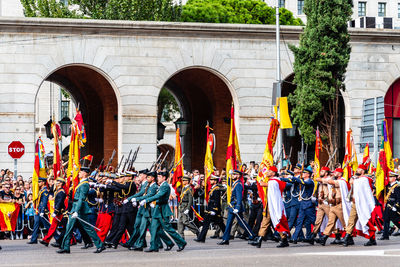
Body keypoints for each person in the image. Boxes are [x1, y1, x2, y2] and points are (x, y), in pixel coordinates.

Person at [57, 166, 105, 254]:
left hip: (80, 209)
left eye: (81, 172)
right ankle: (66, 247)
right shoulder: (81, 183)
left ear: (85, 174)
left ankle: (100, 245)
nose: (78, 173)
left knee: (88, 228)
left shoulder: (85, 184)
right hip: (75, 207)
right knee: (69, 227)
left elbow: (81, 199)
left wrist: (76, 211)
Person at [141, 171, 187, 252]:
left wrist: (146, 200)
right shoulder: (161, 185)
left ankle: (181, 242)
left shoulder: (165, 186)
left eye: (159, 177)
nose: (157, 178)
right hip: (157, 210)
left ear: (164, 178)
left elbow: (158, 195)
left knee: (168, 228)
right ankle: (156, 246)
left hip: (162, 211)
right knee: (154, 228)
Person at [250, 166, 290, 248]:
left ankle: (284, 239)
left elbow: (262, 184)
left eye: (269, 171)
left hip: (274, 206)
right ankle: (259, 239)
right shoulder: (273, 181)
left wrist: (260, 176)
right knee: (265, 221)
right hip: (270, 204)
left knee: (278, 221)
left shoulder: (273, 182)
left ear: (273, 173)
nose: (267, 172)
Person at [218, 170, 255, 245]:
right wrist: (229, 174)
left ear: (238, 176)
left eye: (234, 174)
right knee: (228, 223)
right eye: (233, 174)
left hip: (236, 206)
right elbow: (228, 183)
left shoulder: (238, 184)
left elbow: (239, 197)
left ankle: (252, 236)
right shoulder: (234, 183)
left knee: (242, 223)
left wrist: (238, 207)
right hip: (232, 206)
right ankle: (225, 239)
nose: (233, 175)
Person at [343, 164, 377, 246]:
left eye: (358, 169)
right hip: (356, 203)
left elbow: (362, 188)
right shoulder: (358, 179)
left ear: (362, 171)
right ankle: (347, 238)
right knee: (351, 220)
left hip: (363, 204)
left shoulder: (365, 179)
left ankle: (372, 239)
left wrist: (353, 180)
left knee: (367, 221)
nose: (356, 170)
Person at [316, 168, 349, 246]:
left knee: (344, 223)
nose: (334, 174)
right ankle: (324, 238)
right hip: (333, 205)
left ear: (340, 174)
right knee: (330, 222)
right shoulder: (334, 180)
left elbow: (330, 181)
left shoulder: (341, 181)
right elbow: (319, 179)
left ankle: (349, 237)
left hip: (339, 205)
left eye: (336, 172)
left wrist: (328, 178)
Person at [195, 175, 225, 243]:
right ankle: (201, 238)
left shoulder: (216, 189)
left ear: (215, 181)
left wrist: (214, 210)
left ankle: (201, 238)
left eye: (212, 180)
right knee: (217, 223)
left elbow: (217, 200)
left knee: (219, 223)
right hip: (211, 209)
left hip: (214, 209)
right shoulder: (213, 188)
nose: (210, 181)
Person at [290, 166, 316, 244]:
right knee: (299, 221)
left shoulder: (310, 181)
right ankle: (294, 238)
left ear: (308, 174)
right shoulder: (302, 180)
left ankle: (321, 236)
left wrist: (295, 178)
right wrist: (280, 179)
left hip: (308, 204)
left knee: (313, 221)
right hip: (302, 204)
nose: (303, 174)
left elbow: (304, 183)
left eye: (304, 173)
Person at [40, 177, 66, 247]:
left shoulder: (61, 192)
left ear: (61, 183)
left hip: (61, 213)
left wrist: (55, 211)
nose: (56, 183)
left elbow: (59, 203)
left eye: (58, 182)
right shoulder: (58, 190)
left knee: (66, 228)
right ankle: (46, 240)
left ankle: (71, 240)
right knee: (53, 227)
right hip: (58, 213)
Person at [27, 177, 50, 244]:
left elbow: (45, 202)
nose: (38, 183)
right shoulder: (41, 190)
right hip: (38, 210)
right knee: (36, 224)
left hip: (42, 211)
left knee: (47, 226)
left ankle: (58, 238)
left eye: (39, 182)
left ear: (43, 183)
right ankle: (34, 239)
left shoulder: (45, 191)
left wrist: (42, 211)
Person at [379, 171, 400, 240]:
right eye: (389, 177)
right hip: (388, 206)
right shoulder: (387, 186)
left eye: (391, 177)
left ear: (394, 178)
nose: (389, 178)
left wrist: (396, 206)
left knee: (396, 220)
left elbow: (399, 198)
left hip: (393, 206)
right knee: (386, 220)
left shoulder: (397, 187)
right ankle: (385, 235)